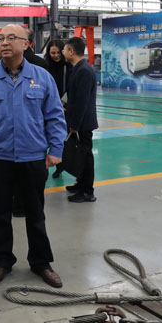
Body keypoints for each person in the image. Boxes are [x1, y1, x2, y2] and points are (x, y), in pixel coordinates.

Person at [0, 24, 66, 289]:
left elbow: (55, 116)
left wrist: (56, 150)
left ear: (26, 44)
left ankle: (41, 262)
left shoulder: (42, 77)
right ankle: (3, 261)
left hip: (32, 156)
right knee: (0, 213)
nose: (5, 42)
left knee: (36, 213)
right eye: (1, 39)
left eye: (11, 38)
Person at [62, 37, 99, 203]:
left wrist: (74, 124)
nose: (63, 53)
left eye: (64, 50)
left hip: (83, 123)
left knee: (85, 156)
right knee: (81, 154)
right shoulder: (79, 68)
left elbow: (82, 102)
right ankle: (81, 184)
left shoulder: (83, 70)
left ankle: (87, 191)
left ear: (71, 51)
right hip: (80, 121)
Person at [45, 39, 72, 179]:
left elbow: (71, 87)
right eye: (52, 53)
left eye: (58, 53)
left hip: (64, 108)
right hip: (47, 108)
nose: (55, 56)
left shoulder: (68, 67)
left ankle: (61, 165)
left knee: (61, 138)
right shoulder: (44, 67)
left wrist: (62, 102)